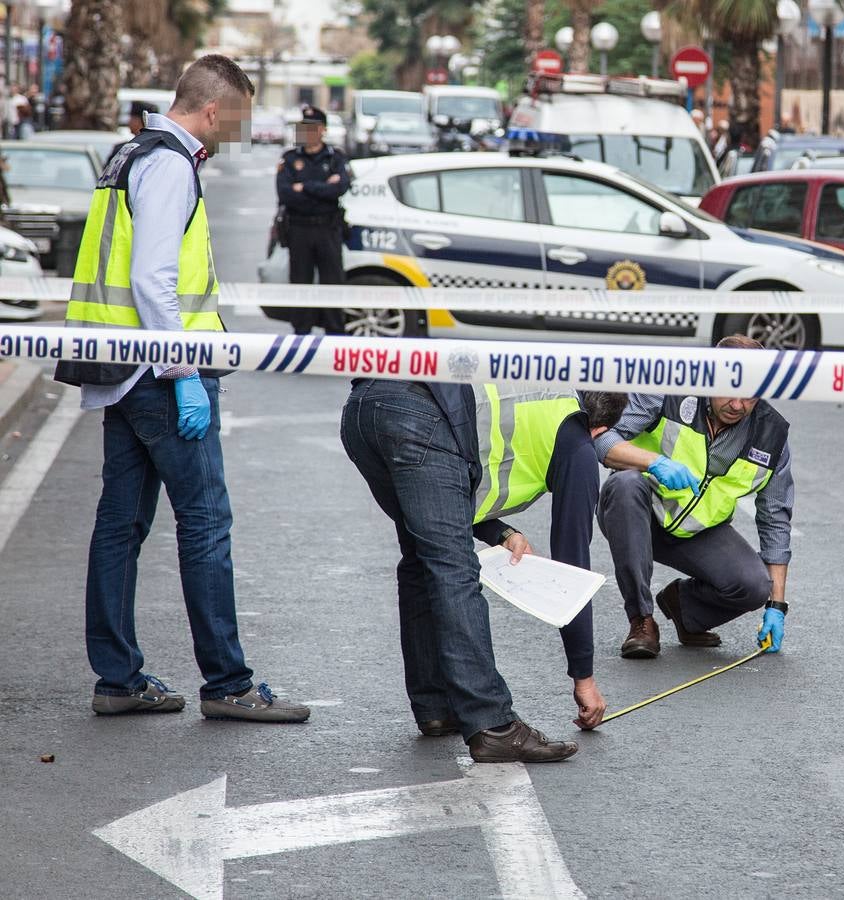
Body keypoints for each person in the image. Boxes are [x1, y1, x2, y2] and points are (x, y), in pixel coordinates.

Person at [53, 55, 311, 723]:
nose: (240, 132)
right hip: (160, 374)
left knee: (121, 526)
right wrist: (185, 371)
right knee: (204, 523)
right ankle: (227, 682)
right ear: (212, 111)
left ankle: (117, 678)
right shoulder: (169, 164)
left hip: (120, 368)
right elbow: (152, 279)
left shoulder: (128, 155)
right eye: (240, 119)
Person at [342, 381, 627, 761]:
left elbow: (448, 499)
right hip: (419, 415)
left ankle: (436, 707)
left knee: (421, 556)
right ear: (600, 430)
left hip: (364, 408)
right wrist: (584, 678)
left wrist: (501, 531)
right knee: (453, 568)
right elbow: (571, 572)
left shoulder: (538, 392)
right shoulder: (577, 443)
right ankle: (493, 724)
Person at [597, 335, 794, 660]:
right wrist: (654, 463)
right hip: (635, 513)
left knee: (755, 585)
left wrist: (777, 606)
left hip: (697, 533)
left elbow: (775, 520)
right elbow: (603, 441)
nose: (738, 405)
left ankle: (685, 608)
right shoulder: (667, 391)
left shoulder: (771, 436)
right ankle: (641, 621)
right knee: (625, 485)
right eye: (730, 391)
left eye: (750, 396)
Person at [271, 105, 350, 335]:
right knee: (300, 283)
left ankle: (335, 335)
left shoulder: (335, 157)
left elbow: (340, 189)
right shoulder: (289, 158)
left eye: (312, 128)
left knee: (333, 283)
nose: (307, 132)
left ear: (323, 130)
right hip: (299, 229)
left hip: (328, 228)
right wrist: (324, 187)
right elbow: (286, 194)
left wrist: (304, 186)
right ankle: (301, 334)